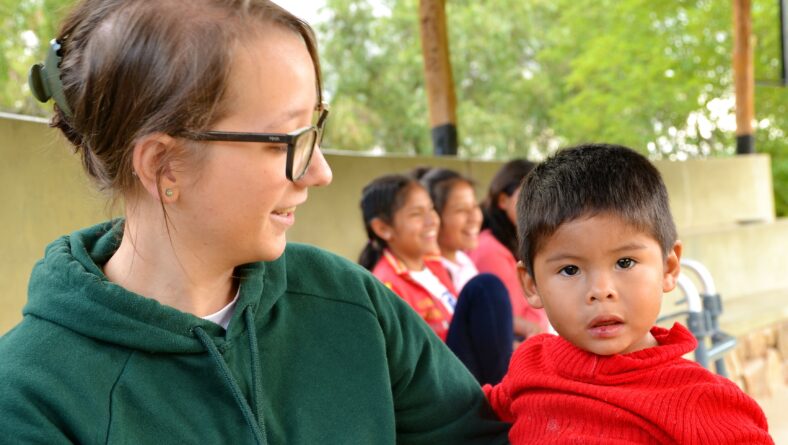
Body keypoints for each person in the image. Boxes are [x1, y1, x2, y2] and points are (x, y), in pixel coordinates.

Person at [0, 1, 510, 443]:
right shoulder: (29, 393)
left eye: (317, 127)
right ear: (163, 165)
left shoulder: (351, 303)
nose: (320, 172)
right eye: (286, 141)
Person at [484, 143, 774, 444]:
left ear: (668, 267)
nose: (600, 291)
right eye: (570, 270)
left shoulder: (706, 404)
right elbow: (472, 416)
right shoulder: (532, 364)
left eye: (625, 262)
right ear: (532, 285)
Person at [360, 174, 513, 384]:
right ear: (383, 228)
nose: (432, 220)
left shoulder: (434, 265)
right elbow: (408, 361)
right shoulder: (387, 285)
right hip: (438, 384)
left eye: (431, 209)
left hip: (462, 371)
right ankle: (508, 394)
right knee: (486, 288)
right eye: (417, 214)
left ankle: (507, 388)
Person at [470, 159, 549, 339]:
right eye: (527, 198)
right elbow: (505, 318)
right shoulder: (490, 250)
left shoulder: (517, 243)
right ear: (503, 200)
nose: (536, 207)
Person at [418, 167, 483, 292]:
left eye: (475, 206)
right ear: (434, 216)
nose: (474, 217)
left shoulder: (462, 259)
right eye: (461, 210)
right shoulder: (429, 273)